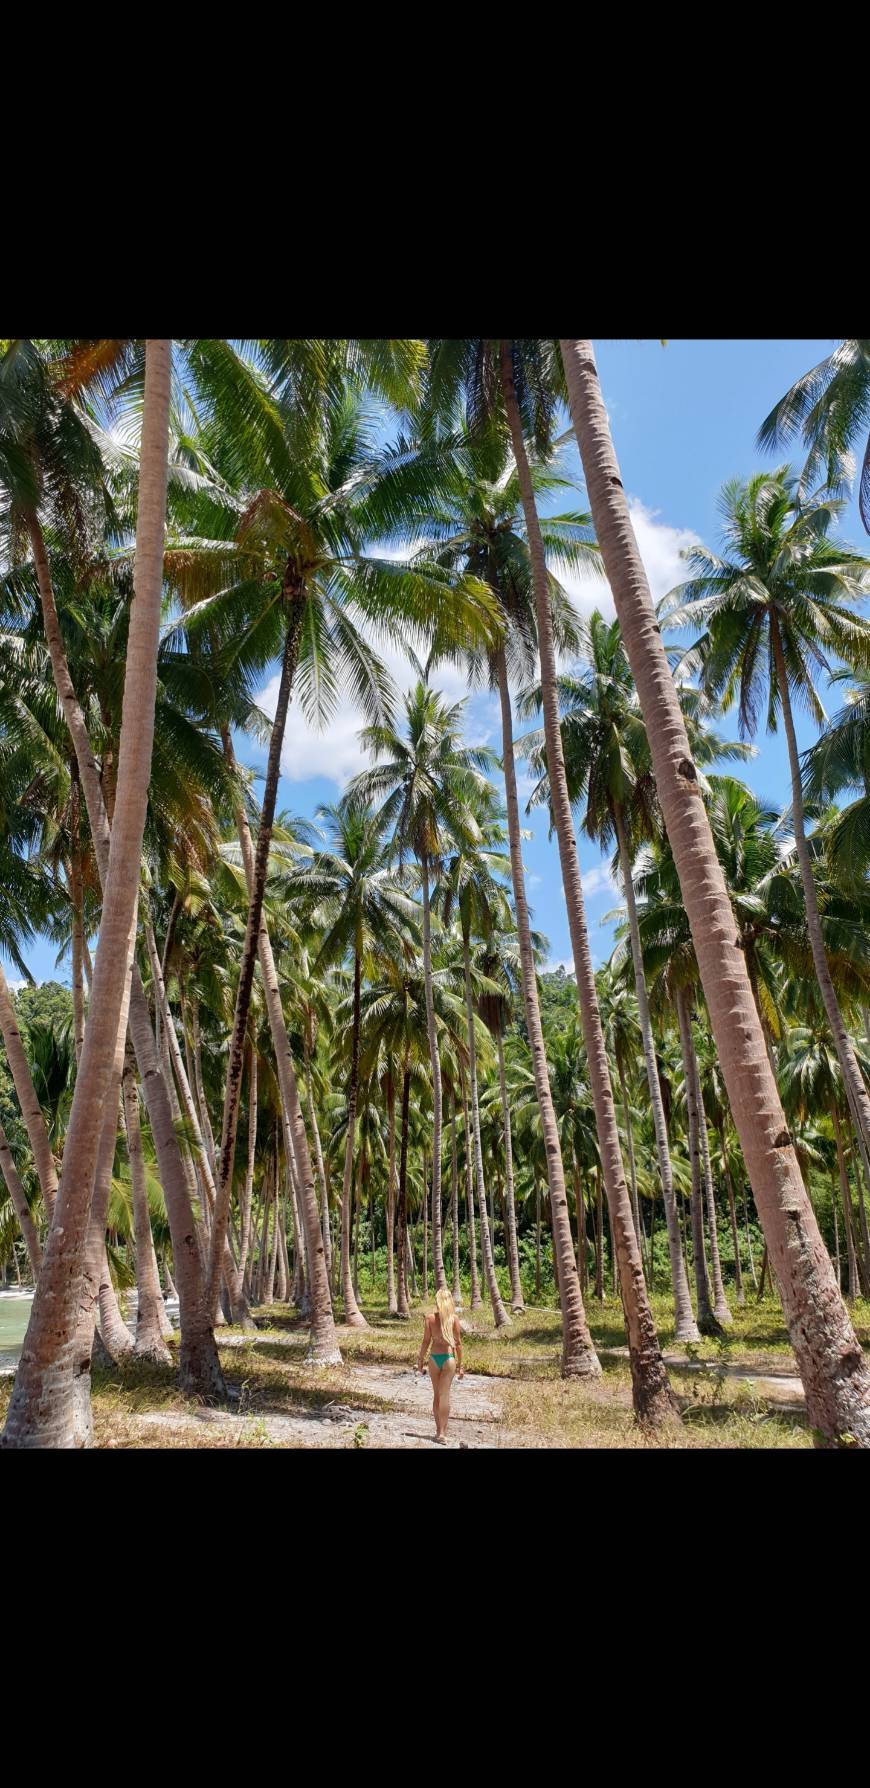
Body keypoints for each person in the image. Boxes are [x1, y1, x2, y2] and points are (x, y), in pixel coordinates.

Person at [417, 1285, 463, 1444]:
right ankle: (443, 1432)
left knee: (437, 1395)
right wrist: (461, 1366)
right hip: (449, 1358)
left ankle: (439, 1432)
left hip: (434, 1359)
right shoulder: (454, 1319)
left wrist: (420, 1360)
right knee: (445, 1396)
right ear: (450, 1302)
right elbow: (458, 1344)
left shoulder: (430, 1318)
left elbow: (425, 1341)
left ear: (437, 1302)